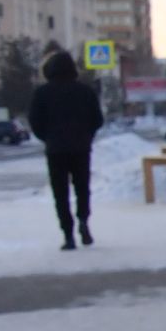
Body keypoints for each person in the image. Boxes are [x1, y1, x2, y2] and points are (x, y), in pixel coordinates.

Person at [27, 49, 104, 250]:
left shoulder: (42, 93)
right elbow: (98, 119)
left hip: (55, 150)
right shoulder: (85, 91)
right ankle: (84, 221)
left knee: (60, 194)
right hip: (81, 149)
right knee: (82, 189)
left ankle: (68, 235)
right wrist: (86, 135)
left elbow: (35, 122)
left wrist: (48, 138)